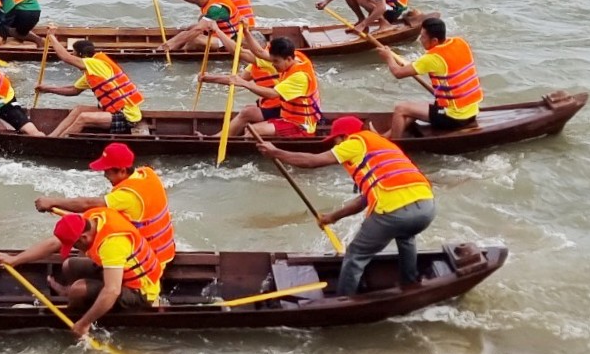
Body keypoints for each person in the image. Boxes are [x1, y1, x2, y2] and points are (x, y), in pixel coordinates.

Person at [258, 115, 434, 293]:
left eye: (335, 141)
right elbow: (365, 199)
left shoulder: (355, 142)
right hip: (426, 207)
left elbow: (313, 161)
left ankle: (344, 300)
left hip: (395, 212)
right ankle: (410, 285)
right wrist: (332, 218)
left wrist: (276, 152)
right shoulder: (382, 145)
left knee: (355, 255)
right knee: (406, 237)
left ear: (344, 136)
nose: (336, 146)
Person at [0, 207, 163, 338]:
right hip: (119, 271)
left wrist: (83, 324)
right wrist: (15, 260)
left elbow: (112, 290)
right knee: (69, 265)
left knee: (78, 289)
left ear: (83, 238)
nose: (74, 248)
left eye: (75, 245)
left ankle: (75, 310)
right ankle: (73, 297)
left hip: (140, 291)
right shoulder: (92, 217)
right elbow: (54, 244)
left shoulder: (112, 245)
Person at [35, 142, 176, 270]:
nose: (104, 175)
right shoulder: (146, 173)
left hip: (147, 260)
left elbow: (87, 204)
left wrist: (52, 201)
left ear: (122, 171)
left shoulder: (126, 196)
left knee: (89, 240)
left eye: (107, 171)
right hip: (165, 251)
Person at [199, 34, 320, 139]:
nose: (273, 65)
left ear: (288, 59)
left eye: (276, 62)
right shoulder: (296, 56)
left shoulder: (300, 77)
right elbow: (260, 52)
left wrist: (245, 84)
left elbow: (272, 94)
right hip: (286, 116)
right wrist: (246, 30)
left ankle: (239, 154)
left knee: (252, 130)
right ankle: (220, 139)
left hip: (301, 125)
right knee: (249, 115)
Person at [378, 16, 482, 135]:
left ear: (435, 41)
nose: (420, 40)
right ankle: (385, 137)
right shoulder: (460, 43)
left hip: (454, 118)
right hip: (472, 111)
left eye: (423, 37)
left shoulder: (432, 58)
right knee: (415, 108)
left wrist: (388, 57)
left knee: (400, 109)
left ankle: (395, 147)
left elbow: (398, 73)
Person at [33, 37, 150, 137]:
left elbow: (66, 58)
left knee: (83, 117)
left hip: (127, 117)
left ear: (81, 55)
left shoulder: (95, 63)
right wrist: (47, 89)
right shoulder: (91, 73)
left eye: (74, 53)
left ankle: (61, 140)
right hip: (114, 112)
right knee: (79, 109)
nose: (73, 55)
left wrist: (52, 37)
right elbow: (73, 90)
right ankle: (53, 136)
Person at [147, 0, 238, 52]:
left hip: (228, 40)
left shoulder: (216, 8)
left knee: (194, 39)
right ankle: (175, 49)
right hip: (215, 31)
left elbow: (198, 29)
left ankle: (174, 53)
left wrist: (170, 44)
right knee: (187, 29)